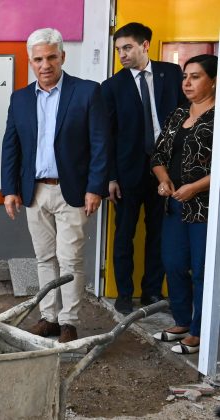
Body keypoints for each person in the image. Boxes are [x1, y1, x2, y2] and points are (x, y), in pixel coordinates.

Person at [0, 28, 109, 343]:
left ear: (63, 56)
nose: (44, 64)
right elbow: (12, 147)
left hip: (72, 190)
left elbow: (100, 144)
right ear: (30, 62)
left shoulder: (87, 92)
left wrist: (95, 187)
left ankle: (69, 321)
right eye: (38, 59)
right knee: (44, 257)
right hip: (35, 191)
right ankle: (48, 317)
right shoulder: (20, 99)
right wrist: (10, 190)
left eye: (50, 57)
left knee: (70, 257)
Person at [101, 22, 185, 315]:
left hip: (167, 172)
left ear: (145, 45)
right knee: (124, 235)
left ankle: (151, 292)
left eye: (127, 48)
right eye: (118, 50)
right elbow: (107, 135)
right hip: (127, 173)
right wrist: (110, 176)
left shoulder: (172, 74)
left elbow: (186, 118)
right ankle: (124, 294)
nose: (122, 55)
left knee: (159, 234)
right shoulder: (112, 86)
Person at [151, 54, 216, 354]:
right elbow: (159, 156)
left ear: (213, 81)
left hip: (205, 209)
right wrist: (164, 180)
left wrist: (195, 188)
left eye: (196, 76)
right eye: (185, 76)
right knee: (174, 264)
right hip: (175, 204)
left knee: (202, 270)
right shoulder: (178, 114)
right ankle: (182, 321)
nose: (187, 83)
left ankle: (201, 330)